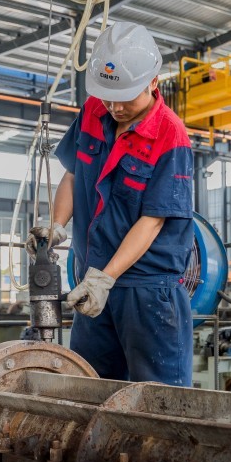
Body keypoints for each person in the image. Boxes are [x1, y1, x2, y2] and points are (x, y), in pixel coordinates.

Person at [27, 22, 194, 387]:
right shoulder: (93, 110)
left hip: (147, 292)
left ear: (153, 82)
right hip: (91, 283)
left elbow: (153, 220)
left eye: (125, 97)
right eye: (108, 97)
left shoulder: (170, 135)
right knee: (89, 388)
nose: (115, 107)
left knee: (157, 399)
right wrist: (56, 226)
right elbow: (73, 175)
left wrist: (107, 278)